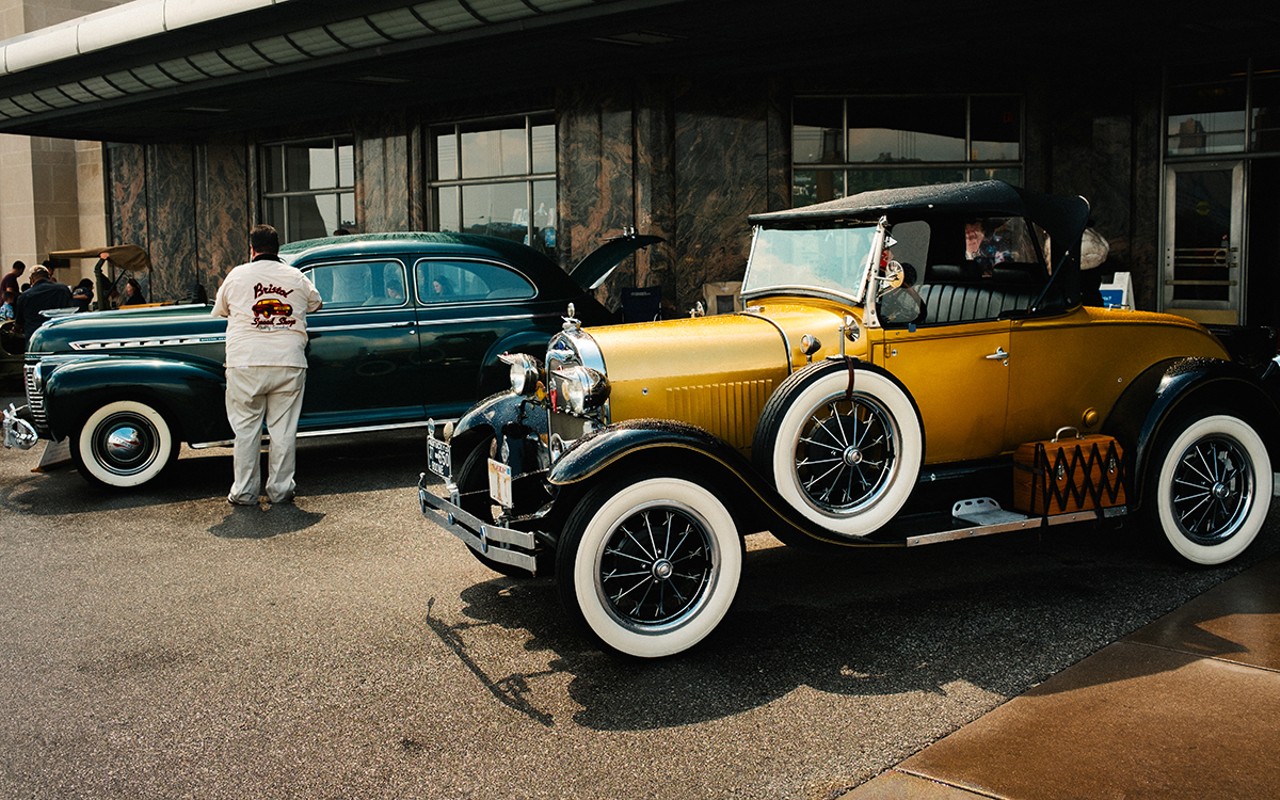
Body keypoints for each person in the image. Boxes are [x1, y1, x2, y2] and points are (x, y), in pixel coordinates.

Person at [212, 223, 323, 507]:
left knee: (246, 430)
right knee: (283, 430)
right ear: (278, 249)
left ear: (252, 249)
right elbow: (316, 303)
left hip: (245, 362)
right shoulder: (296, 276)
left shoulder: (237, 275)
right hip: (289, 361)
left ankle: (245, 493)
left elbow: (221, 309)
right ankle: (280, 490)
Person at [13, 265, 73, 339]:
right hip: (61, 335)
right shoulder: (63, 289)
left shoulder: (25, 296)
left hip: (35, 337)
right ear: (49, 277)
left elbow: (19, 323)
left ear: (31, 279)